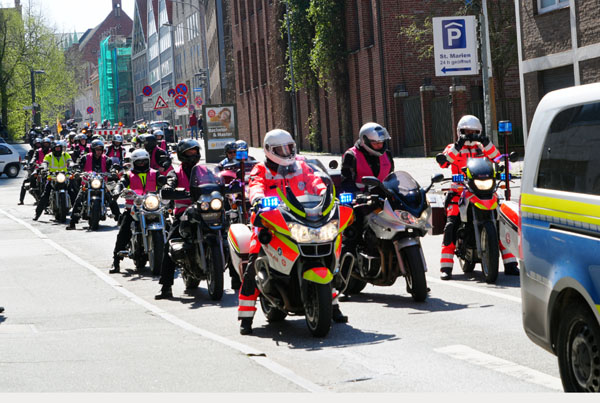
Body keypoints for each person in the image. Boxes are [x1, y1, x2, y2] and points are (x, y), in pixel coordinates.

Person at [237, 129, 346, 335]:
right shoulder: (261, 169)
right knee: (253, 261)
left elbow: (315, 180)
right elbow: (255, 187)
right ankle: (246, 317)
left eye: (289, 148)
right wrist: (258, 199)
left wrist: (325, 192)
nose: (286, 153)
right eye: (281, 149)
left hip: (303, 218)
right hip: (271, 222)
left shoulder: (301, 165)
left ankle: (332, 304)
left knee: (330, 251)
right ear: (269, 150)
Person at [437, 115, 519, 280]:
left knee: (501, 221)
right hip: (460, 191)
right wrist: (459, 145)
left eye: (474, 131)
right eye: (467, 131)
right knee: (451, 223)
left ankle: (510, 263)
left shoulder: (482, 147)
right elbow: (444, 162)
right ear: (460, 131)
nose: (470, 134)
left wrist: (486, 142)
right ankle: (446, 266)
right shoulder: (452, 147)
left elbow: (497, 158)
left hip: (483, 189)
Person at [340, 122, 395, 270]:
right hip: (360, 201)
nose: (379, 145)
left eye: (381, 142)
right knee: (352, 233)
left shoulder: (387, 154)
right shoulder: (351, 155)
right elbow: (346, 182)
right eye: (375, 143)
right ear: (364, 141)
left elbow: (392, 178)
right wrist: (359, 195)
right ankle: (343, 273)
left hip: (383, 199)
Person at [155, 139, 202, 299]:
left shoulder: (203, 170)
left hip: (203, 210)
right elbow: (170, 181)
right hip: (183, 213)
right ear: (182, 155)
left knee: (226, 234)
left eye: (195, 151)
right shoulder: (175, 172)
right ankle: (166, 287)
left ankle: (237, 280)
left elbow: (216, 180)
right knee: (169, 245)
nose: (193, 154)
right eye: (190, 152)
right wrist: (168, 188)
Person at [110, 149, 160, 273]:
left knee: (169, 226)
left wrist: (168, 186)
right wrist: (118, 189)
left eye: (144, 161)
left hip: (152, 207)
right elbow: (121, 183)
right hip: (133, 209)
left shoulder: (155, 173)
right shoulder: (128, 175)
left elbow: (164, 183)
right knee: (124, 231)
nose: (142, 164)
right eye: (139, 162)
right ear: (133, 162)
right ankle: (116, 262)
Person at [66, 140, 120, 230]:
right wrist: (78, 171)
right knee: (78, 199)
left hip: (102, 183)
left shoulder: (106, 159)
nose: (98, 151)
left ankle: (119, 219)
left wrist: (113, 171)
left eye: (100, 149)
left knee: (111, 199)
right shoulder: (85, 157)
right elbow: (79, 165)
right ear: (93, 150)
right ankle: (72, 222)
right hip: (87, 182)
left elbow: (111, 167)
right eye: (97, 149)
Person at [33, 141, 75, 221]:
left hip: (64, 177)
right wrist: (44, 167)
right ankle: (37, 214)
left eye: (59, 148)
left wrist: (72, 165)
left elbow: (70, 161)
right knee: (45, 195)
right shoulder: (49, 156)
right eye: (56, 148)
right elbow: (45, 162)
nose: (58, 149)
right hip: (52, 177)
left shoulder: (65, 154)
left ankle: (77, 213)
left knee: (73, 192)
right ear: (53, 149)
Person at [18, 137, 43, 205]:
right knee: (25, 183)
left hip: (43, 169)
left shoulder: (44, 151)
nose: (38, 145)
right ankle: (21, 200)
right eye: (37, 144)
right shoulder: (31, 151)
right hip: (32, 169)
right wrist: (27, 164)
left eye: (39, 144)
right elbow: (27, 158)